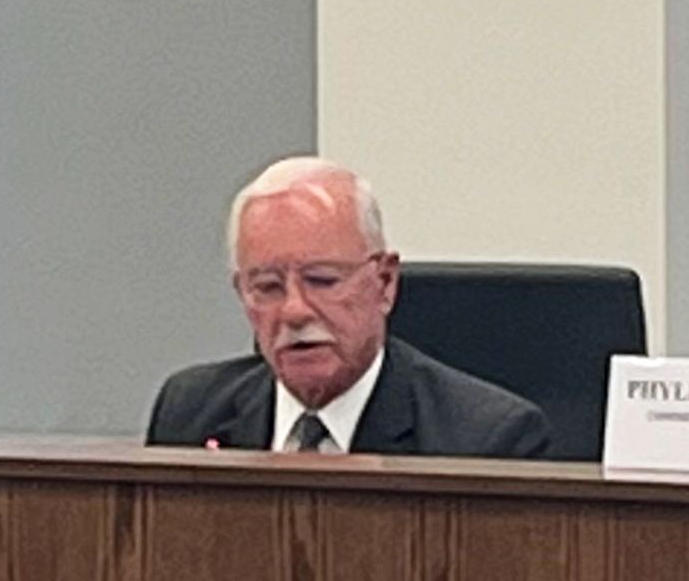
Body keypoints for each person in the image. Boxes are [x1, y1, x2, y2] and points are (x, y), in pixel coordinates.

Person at [144, 158, 552, 459]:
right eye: (267, 287)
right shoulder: (191, 414)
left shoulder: (484, 440)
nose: (294, 311)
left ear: (385, 282)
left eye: (322, 280)